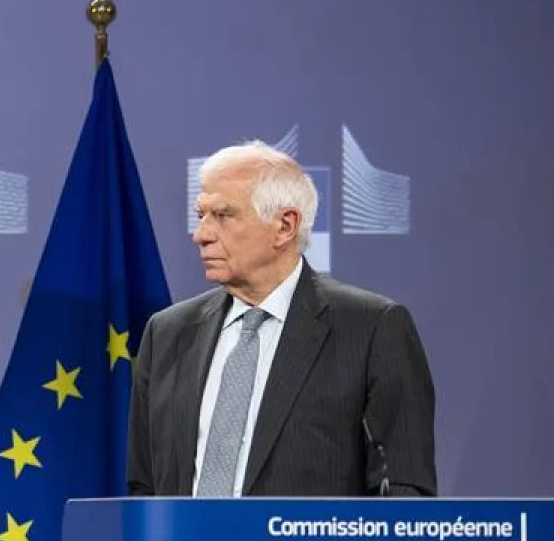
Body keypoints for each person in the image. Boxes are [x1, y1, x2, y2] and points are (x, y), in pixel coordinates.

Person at [127, 140, 435, 498]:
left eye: (223, 215)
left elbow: (404, 493)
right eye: (201, 216)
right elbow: (143, 488)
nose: (202, 235)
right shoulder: (167, 333)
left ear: (285, 226)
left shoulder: (371, 329)